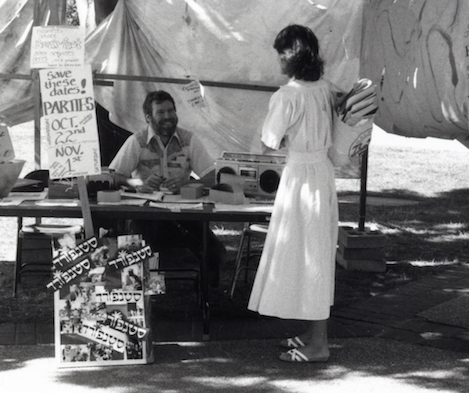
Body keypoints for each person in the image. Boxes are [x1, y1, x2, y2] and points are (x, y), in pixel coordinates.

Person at [247, 24, 375, 363]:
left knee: (311, 257)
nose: (279, 59)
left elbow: (269, 139)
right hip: (319, 175)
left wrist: (288, 135)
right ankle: (311, 331)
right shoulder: (323, 87)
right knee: (311, 254)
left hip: (301, 176)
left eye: (281, 53)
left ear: (291, 55)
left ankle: (320, 344)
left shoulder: (288, 95)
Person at [108, 90, 226, 286]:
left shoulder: (189, 140)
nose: (168, 117)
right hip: (147, 213)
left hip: (184, 214)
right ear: (148, 117)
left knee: (213, 250)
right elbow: (114, 176)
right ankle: (140, 295)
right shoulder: (137, 141)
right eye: (161, 112)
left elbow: (211, 177)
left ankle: (206, 297)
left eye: (171, 111)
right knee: (137, 243)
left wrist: (185, 184)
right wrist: (139, 184)